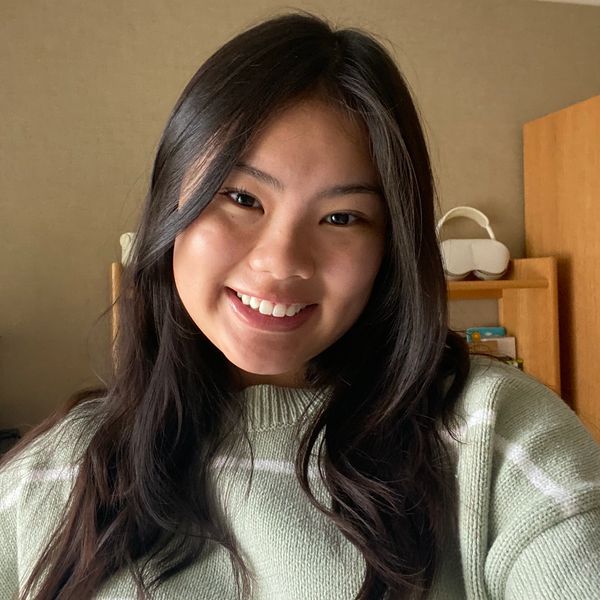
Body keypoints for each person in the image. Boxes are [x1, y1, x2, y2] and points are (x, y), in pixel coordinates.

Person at [1, 12, 599, 600]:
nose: (281, 262)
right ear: (169, 205)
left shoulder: (496, 437)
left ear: (390, 246)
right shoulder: (48, 476)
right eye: (241, 198)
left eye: (342, 218)